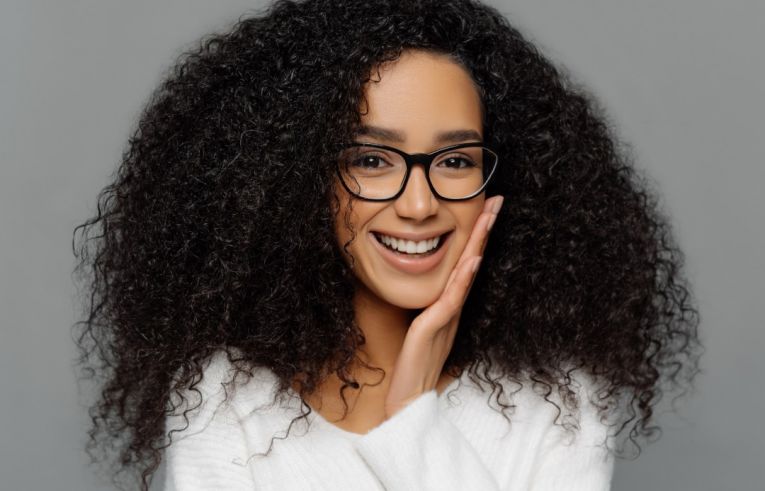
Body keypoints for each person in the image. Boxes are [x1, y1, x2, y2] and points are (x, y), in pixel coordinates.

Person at [72, 0, 703, 490]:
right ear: (297, 180)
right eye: (373, 159)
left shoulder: (559, 407)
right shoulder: (224, 401)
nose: (420, 203)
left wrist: (414, 417)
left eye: (455, 160)